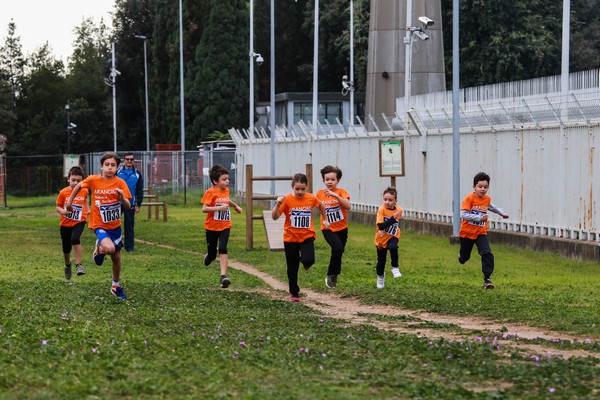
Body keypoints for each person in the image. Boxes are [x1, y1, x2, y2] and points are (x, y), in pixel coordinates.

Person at [66, 152, 132, 299]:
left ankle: (115, 285)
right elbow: (78, 186)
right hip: (99, 224)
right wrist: (70, 202)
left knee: (116, 257)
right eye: (107, 165)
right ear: (101, 166)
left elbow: (128, 205)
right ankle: (100, 248)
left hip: (115, 226)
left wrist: (122, 198)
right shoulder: (93, 180)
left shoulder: (120, 183)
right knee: (110, 248)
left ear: (117, 168)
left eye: (113, 165)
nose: (109, 168)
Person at [272, 173, 329, 302]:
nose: (300, 192)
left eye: (303, 189)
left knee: (309, 260)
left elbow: (321, 205)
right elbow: (274, 217)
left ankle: (305, 262)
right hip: (290, 238)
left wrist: (325, 219)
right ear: (292, 187)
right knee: (292, 268)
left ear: (307, 187)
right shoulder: (286, 199)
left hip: (307, 235)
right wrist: (277, 204)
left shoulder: (311, 198)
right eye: (297, 189)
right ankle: (294, 292)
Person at [458, 172, 509, 289]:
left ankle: (487, 279)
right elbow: (463, 214)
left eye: (485, 187)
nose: (482, 189)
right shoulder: (469, 199)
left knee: (486, 252)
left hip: (480, 232)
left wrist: (502, 213)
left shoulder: (486, 199)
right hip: (467, 232)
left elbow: (491, 207)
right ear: (474, 187)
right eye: (480, 187)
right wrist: (478, 218)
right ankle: (462, 257)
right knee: (465, 257)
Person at [201, 164, 243, 288]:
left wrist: (235, 206)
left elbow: (226, 200)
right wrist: (218, 208)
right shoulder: (210, 192)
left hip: (225, 225)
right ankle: (209, 257)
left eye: (227, 179)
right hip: (211, 227)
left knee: (223, 248)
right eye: (224, 180)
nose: (227, 181)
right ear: (215, 181)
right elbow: (204, 209)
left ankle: (223, 276)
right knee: (213, 254)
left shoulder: (227, 191)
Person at [316, 165, 351, 289]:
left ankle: (334, 274)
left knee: (339, 251)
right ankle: (331, 274)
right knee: (337, 248)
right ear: (323, 180)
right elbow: (311, 204)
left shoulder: (341, 192)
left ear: (338, 180)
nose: (329, 182)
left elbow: (347, 206)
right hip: (328, 228)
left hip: (342, 228)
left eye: (332, 179)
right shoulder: (320, 194)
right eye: (327, 179)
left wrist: (335, 196)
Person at [56, 166, 89, 280]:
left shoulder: (84, 190)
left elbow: (85, 199)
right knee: (66, 248)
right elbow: (58, 207)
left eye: (78, 181)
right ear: (68, 179)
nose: (75, 183)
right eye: (73, 180)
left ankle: (79, 265)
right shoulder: (63, 192)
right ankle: (67, 264)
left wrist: (87, 210)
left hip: (79, 221)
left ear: (82, 181)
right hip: (65, 223)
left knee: (75, 239)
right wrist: (64, 211)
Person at [373, 187, 403, 289]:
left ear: (395, 201)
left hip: (393, 235)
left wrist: (392, 219)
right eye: (385, 199)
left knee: (393, 247)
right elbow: (381, 226)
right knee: (381, 261)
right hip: (381, 239)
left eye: (390, 200)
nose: (387, 202)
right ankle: (380, 276)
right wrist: (392, 218)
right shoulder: (381, 210)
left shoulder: (399, 210)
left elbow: (390, 224)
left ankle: (395, 267)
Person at [116, 152, 143, 252]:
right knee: (115, 223)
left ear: (133, 161)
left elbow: (139, 190)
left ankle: (129, 247)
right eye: (127, 159)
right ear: (124, 160)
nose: (129, 161)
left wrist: (138, 204)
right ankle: (117, 242)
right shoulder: (117, 172)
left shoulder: (137, 174)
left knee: (129, 225)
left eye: (131, 159)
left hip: (130, 203)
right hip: (117, 203)